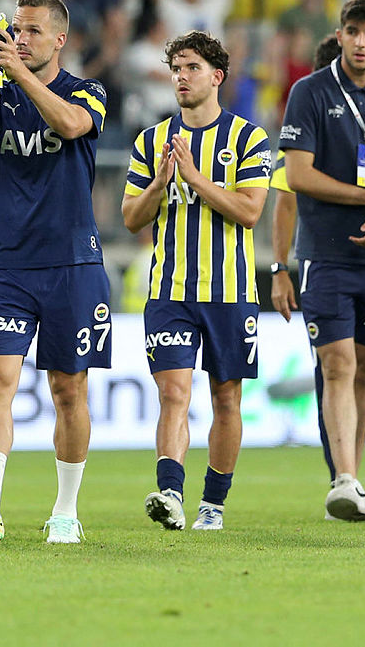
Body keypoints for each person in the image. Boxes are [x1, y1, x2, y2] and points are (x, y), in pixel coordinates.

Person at [0, 0, 112, 545]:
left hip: (73, 264)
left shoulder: (87, 91)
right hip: (7, 265)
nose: (21, 39)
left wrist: (17, 74)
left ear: (60, 39)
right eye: (17, 29)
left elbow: (71, 125)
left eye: (34, 31)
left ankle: (65, 510)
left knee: (68, 390)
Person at [276, 0, 365, 521]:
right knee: (337, 364)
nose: (360, 41)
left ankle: (359, 474)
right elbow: (296, 177)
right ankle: (345, 479)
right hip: (325, 255)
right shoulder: (309, 92)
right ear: (339, 35)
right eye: (352, 31)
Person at [124, 31, 271, 532]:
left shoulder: (248, 138)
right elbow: (131, 218)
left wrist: (194, 178)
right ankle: (170, 494)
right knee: (173, 394)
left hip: (231, 292)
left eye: (192, 68)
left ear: (216, 76)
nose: (182, 77)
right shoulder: (151, 141)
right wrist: (160, 184)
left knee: (226, 399)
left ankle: (214, 504)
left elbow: (249, 212)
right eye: (176, 69)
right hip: (170, 292)